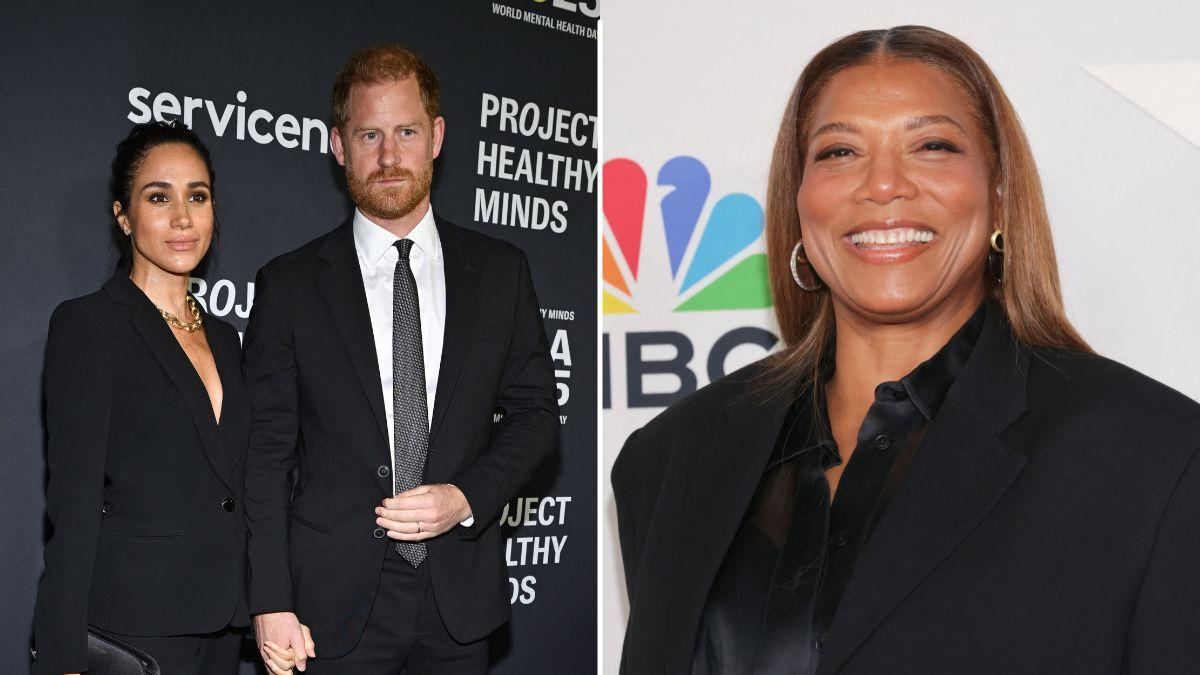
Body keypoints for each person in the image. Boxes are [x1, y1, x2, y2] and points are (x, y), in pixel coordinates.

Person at [613, 25, 1200, 675]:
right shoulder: (671, 457)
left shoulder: (1154, 459)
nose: (883, 184)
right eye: (840, 152)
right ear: (798, 201)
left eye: (932, 146)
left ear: (1000, 194)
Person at [242, 44, 559, 674]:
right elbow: (265, 455)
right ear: (339, 146)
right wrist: (270, 599)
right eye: (370, 135)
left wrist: (464, 498)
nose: (389, 156)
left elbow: (536, 417)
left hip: (458, 598)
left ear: (436, 137)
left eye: (406, 132)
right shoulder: (291, 285)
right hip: (329, 604)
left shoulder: (500, 272)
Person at [30, 121, 284, 674]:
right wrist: (61, 657)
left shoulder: (226, 338)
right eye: (158, 197)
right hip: (134, 626)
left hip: (223, 628)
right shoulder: (89, 326)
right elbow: (73, 505)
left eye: (198, 196)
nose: (183, 217)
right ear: (123, 216)